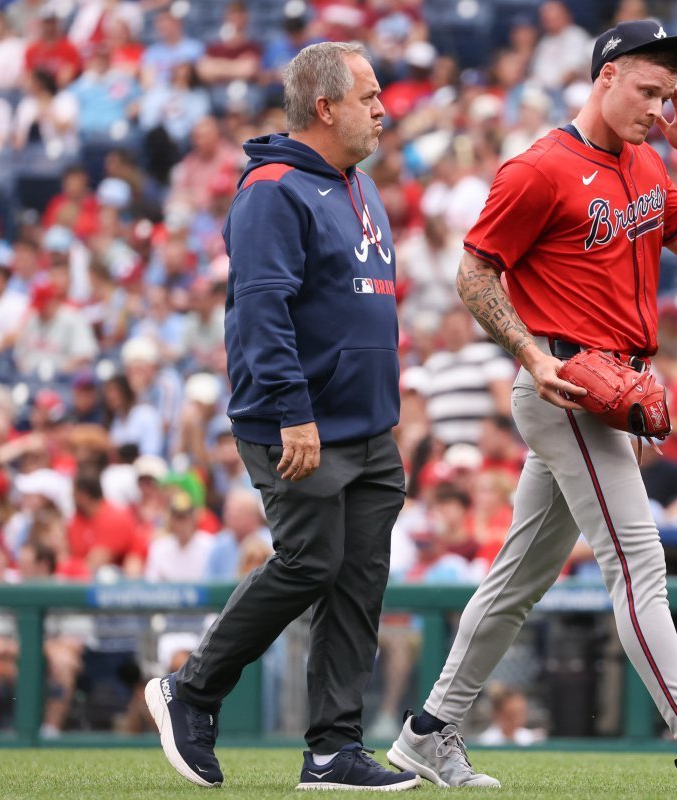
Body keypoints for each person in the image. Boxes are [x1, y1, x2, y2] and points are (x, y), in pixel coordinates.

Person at [388, 20, 677, 794]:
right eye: (646, 89)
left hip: (616, 386)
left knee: (516, 581)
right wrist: (531, 355)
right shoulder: (539, 168)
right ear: (605, 77)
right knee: (638, 562)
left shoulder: (648, 157)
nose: (657, 106)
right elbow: (474, 274)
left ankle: (428, 733)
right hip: (568, 384)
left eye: (667, 93)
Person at [144, 43, 420, 793]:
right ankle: (191, 690)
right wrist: (295, 412)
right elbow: (262, 311)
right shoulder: (272, 189)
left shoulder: (360, 185)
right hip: (299, 424)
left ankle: (333, 750)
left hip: (369, 428)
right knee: (310, 562)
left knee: (358, 582)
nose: (382, 109)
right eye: (368, 96)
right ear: (324, 107)